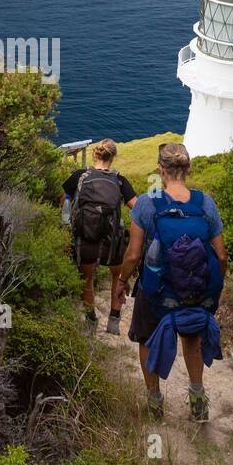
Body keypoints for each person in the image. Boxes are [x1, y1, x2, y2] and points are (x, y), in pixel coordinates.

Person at [116, 142, 227, 422]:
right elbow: (222, 256)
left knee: (146, 339)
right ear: (188, 169)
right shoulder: (205, 203)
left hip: (156, 292)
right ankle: (198, 398)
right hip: (195, 290)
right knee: (191, 338)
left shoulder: (146, 203)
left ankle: (155, 403)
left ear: (160, 170)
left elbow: (133, 254)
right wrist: (212, 288)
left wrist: (122, 281)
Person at [62, 139, 137, 334]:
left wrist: (67, 223)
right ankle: (113, 321)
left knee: (86, 279)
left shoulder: (80, 176)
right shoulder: (119, 180)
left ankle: (90, 320)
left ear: (95, 154)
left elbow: (64, 201)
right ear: (113, 157)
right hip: (112, 241)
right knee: (117, 277)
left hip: (85, 237)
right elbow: (137, 207)